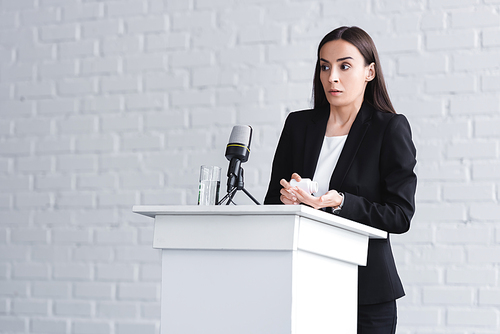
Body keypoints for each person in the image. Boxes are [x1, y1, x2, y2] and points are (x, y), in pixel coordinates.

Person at [264, 26, 417, 334]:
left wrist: (342, 203)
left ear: (369, 72)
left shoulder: (389, 128)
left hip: (366, 294)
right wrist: (289, 199)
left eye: (344, 66)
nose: (332, 77)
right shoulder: (298, 125)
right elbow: (271, 202)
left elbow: (400, 216)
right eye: (324, 66)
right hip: (303, 286)